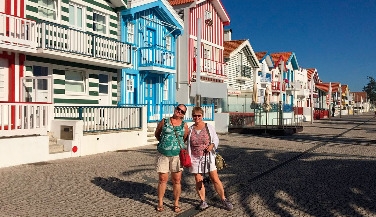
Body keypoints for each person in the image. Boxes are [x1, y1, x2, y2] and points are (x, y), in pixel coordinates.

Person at [186, 106, 233, 211]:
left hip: (208, 157)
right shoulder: (190, 129)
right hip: (195, 158)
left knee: (215, 178)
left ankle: (224, 199)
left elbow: (215, 138)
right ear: (192, 116)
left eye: (199, 115)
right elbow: (185, 141)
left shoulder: (208, 127)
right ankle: (203, 201)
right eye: (194, 116)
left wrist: (212, 145)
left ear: (202, 116)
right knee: (198, 180)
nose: (197, 117)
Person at [154, 104, 189, 213]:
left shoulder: (184, 125)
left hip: (177, 155)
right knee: (162, 179)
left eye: (182, 111)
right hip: (163, 154)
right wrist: (165, 143)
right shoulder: (164, 121)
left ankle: (176, 203)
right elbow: (157, 134)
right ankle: (160, 202)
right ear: (175, 109)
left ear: (183, 115)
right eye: (178, 109)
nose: (179, 112)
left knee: (177, 180)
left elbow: (185, 138)